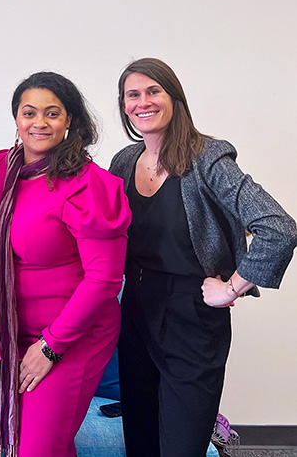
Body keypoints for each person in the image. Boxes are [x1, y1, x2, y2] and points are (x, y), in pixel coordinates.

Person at [110, 57, 297, 457]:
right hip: (135, 308)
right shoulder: (124, 162)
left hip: (191, 315)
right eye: (133, 95)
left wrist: (232, 288)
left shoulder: (207, 158)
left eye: (153, 91)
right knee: (140, 438)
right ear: (124, 106)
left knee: (182, 445)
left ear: (174, 98)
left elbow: (279, 227)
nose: (143, 102)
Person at [0, 72, 131, 457]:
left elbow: (104, 280)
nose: (39, 123)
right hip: (14, 332)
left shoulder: (89, 184)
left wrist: (51, 347)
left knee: (38, 449)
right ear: (16, 119)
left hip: (72, 336)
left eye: (52, 113)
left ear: (69, 120)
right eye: (29, 113)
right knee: (32, 445)